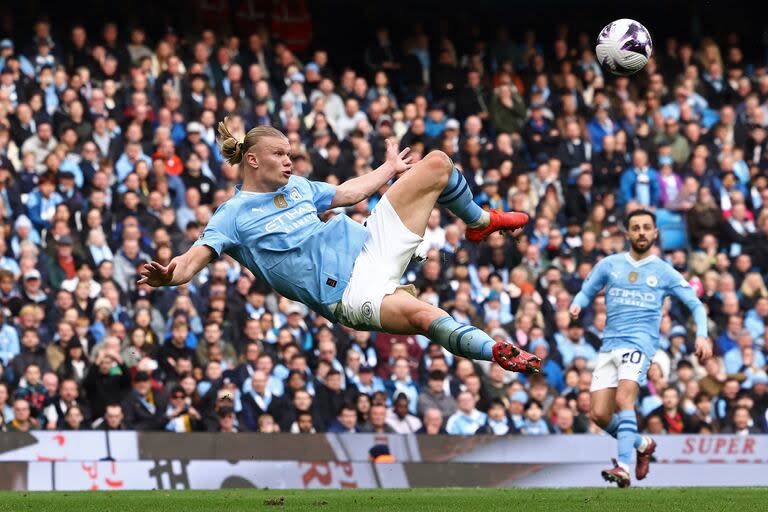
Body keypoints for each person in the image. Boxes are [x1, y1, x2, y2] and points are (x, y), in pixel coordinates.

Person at [139, 119, 539, 375]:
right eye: (279, 154)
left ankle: (480, 222)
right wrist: (170, 276)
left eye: (290, 154)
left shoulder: (297, 187)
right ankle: (497, 351)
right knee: (422, 317)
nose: (288, 162)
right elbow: (191, 261)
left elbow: (346, 193)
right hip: (347, 293)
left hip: (368, 245)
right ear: (252, 160)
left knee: (436, 162)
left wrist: (388, 170)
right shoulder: (232, 215)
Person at [569, 209, 712, 488]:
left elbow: (695, 304)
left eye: (647, 227)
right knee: (598, 414)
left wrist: (703, 336)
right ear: (627, 234)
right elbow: (587, 289)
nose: (642, 232)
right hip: (609, 345)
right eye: (636, 228)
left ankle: (623, 465)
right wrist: (578, 303)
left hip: (639, 344)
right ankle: (642, 444)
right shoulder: (610, 265)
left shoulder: (663, 271)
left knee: (624, 401)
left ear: (656, 233)